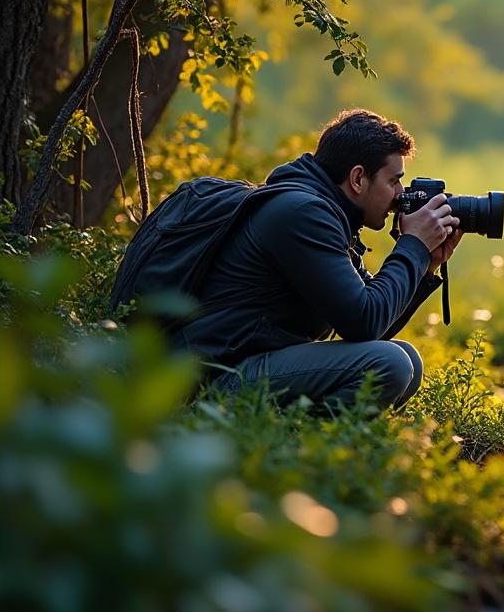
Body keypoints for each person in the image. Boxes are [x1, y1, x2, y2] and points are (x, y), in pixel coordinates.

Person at [178, 109, 463, 410]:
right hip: (213, 380)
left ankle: (300, 435)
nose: (400, 195)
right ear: (357, 178)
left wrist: (425, 264)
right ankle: (292, 444)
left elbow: (373, 325)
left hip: (246, 363)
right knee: (390, 364)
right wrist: (412, 245)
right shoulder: (303, 214)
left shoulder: (328, 212)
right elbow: (364, 322)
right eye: (394, 181)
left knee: (408, 361)